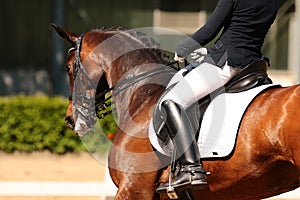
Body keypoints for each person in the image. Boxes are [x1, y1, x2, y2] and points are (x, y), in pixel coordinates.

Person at [156, 0, 278, 193]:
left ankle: (191, 168)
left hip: (227, 64)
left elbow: (209, 30)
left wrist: (183, 48)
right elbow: (244, 32)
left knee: (171, 101)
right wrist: (210, 52)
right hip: (252, 65)